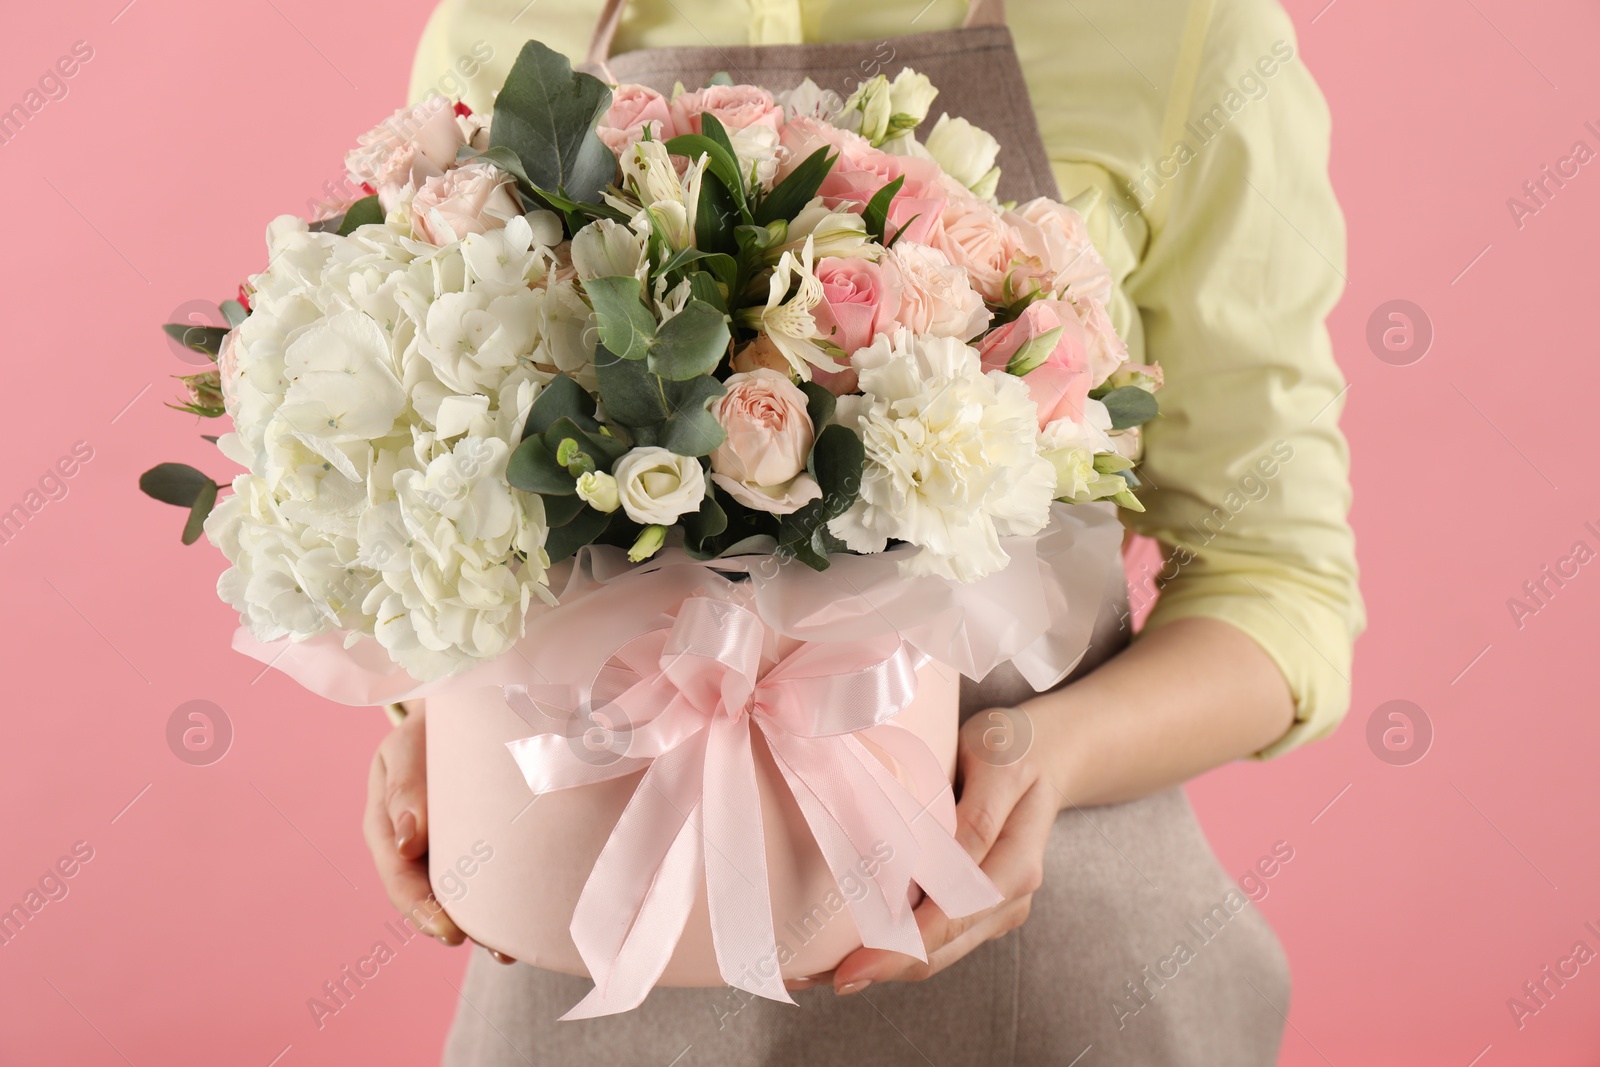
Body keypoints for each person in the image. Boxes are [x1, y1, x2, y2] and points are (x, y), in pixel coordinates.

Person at [365, 0, 1362, 1063]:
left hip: (1050, 972)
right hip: (588, 936)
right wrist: (432, 714)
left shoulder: (1177, 31)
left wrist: (1042, 756)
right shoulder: (509, 25)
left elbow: (1277, 585)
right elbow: (427, 479)